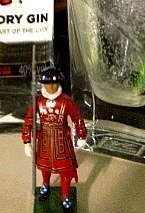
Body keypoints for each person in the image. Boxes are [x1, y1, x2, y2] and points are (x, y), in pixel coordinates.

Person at [22, 67, 87, 211]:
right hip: (44, 140)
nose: (51, 87)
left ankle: (65, 196)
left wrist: (81, 135)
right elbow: (28, 121)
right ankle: (45, 184)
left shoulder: (66, 101)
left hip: (61, 141)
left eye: (54, 83)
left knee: (65, 171)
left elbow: (77, 118)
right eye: (48, 84)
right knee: (44, 167)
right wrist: (27, 141)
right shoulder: (38, 101)